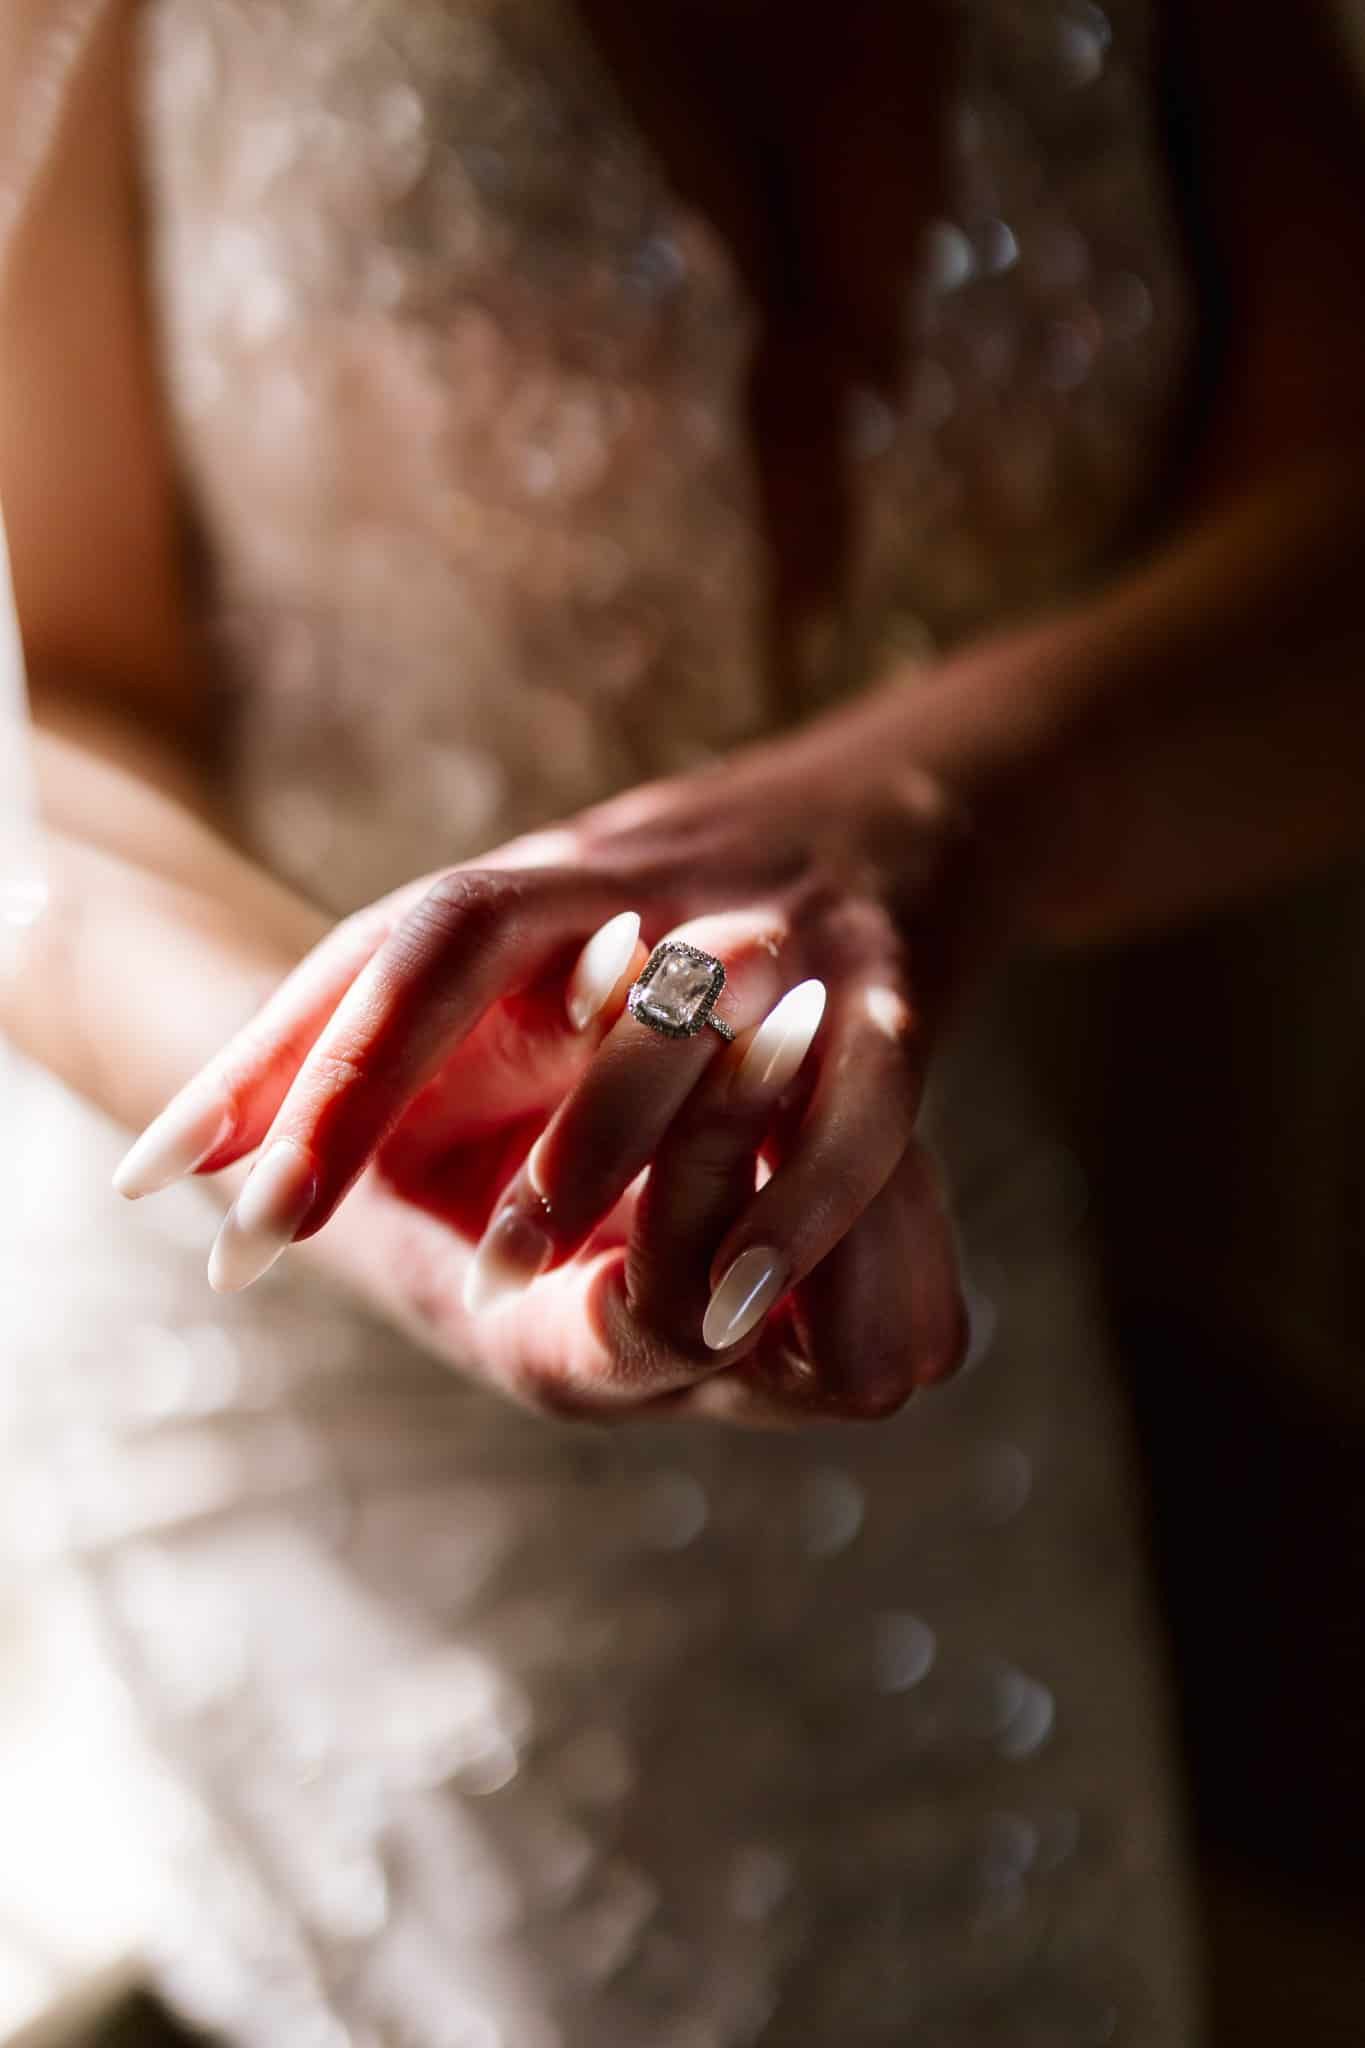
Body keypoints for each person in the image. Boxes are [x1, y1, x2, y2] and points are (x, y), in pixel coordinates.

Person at [2, 0, 1363, 2040]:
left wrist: (939, 806)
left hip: (925, 1358)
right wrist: (384, 1156)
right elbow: (51, 725)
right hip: (307, 1408)